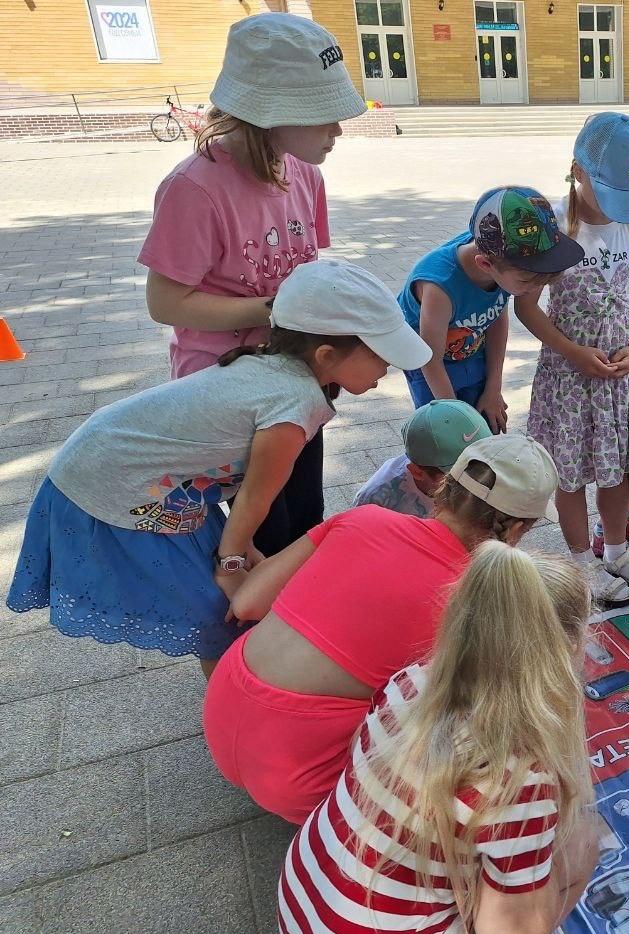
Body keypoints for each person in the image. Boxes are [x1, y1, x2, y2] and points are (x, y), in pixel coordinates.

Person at [6, 260, 428, 677]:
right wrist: (232, 565)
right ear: (326, 354)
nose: (387, 368)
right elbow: (254, 499)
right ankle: (237, 711)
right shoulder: (292, 406)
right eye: (381, 355)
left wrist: (241, 553)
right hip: (119, 482)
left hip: (135, 471)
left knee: (230, 588)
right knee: (217, 609)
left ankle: (240, 692)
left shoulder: (276, 367)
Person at [202, 433, 559, 823]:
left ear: (445, 487)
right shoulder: (477, 599)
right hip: (302, 774)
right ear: (516, 530)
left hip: (222, 715)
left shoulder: (361, 517)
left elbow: (247, 602)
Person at [277, 541, 601, 934]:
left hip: (306, 902)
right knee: (581, 848)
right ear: (567, 648)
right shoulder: (522, 777)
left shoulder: (411, 682)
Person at [139, 13, 367, 555]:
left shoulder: (304, 174)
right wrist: (273, 308)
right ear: (271, 115)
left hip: (297, 380)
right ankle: (251, 631)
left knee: (304, 518)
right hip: (229, 391)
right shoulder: (194, 188)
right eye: (325, 116)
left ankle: (292, 625)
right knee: (256, 531)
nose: (338, 130)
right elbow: (164, 301)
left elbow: (308, 269)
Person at [516, 112, 629, 606]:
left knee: (615, 470)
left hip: (615, 377)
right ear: (577, 170)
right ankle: (581, 562)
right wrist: (573, 352)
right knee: (572, 473)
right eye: (608, 193)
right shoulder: (552, 228)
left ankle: (617, 551)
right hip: (568, 377)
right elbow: (525, 305)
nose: (617, 208)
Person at [399, 186, 584, 432]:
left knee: (486, 426)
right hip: (428, 365)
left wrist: (493, 388)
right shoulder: (439, 286)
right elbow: (430, 360)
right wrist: (456, 418)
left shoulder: (502, 264)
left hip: (473, 352)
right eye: (527, 282)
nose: (533, 290)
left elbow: (496, 315)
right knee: (444, 437)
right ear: (485, 264)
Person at [352, 399, 492, 518]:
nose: (479, 478)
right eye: (462, 474)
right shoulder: (376, 503)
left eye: (485, 463)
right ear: (417, 472)